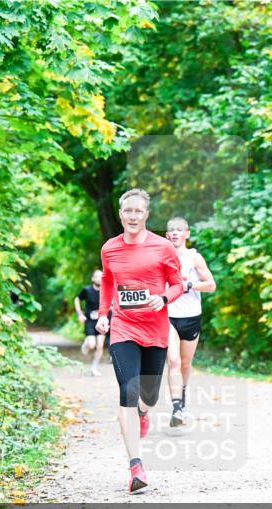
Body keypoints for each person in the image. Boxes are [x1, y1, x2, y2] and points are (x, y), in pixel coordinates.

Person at [96, 189, 184, 493]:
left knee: (149, 397)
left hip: (155, 330)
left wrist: (162, 298)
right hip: (123, 327)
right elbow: (108, 280)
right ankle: (136, 466)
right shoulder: (109, 249)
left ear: (146, 215)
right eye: (127, 211)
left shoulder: (163, 248)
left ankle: (144, 414)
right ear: (121, 213)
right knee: (128, 391)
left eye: (138, 211)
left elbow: (177, 285)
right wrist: (102, 312)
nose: (132, 216)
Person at [164, 217, 216, 427]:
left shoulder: (194, 258)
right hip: (168, 317)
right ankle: (176, 408)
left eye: (179, 230)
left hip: (192, 317)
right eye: (171, 231)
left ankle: (182, 402)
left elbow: (211, 285)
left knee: (185, 364)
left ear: (187, 234)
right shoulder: (162, 258)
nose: (175, 233)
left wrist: (189, 285)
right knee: (174, 362)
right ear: (167, 236)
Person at [75, 269, 106, 376]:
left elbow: (111, 303)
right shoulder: (87, 290)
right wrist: (79, 314)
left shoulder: (106, 290)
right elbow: (77, 299)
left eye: (101, 276)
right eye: (97, 276)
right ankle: (86, 345)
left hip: (101, 321)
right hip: (90, 322)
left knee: (100, 346)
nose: (99, 278)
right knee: (92, 345)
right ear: (93, 279)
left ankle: (94, 368)